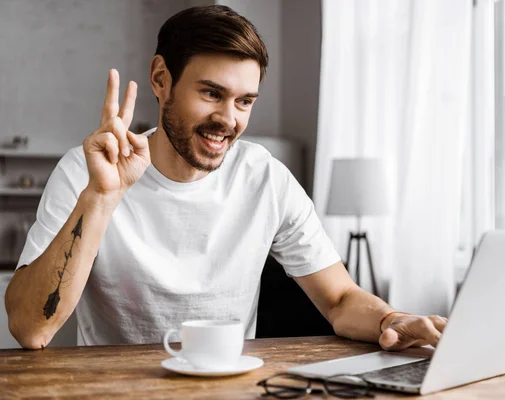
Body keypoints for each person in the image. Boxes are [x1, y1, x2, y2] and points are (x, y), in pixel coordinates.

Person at [5, 5, 446, 350]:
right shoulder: (86, 173)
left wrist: (391, 320)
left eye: (244, 101)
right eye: (212, 93)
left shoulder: (267, 179)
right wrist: (101, 197)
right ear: (161, 78)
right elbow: (30, 329)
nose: (227, 120)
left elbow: (339, 300)